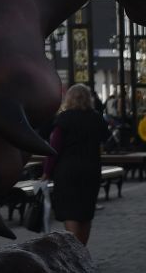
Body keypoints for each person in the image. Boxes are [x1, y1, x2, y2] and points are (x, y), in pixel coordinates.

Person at [46, 84, 111, 245]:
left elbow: (54, 148)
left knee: (71, 212)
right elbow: (106, 139)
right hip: (91, 170)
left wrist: (46, 171)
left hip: (67, 171)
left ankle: (75, 251)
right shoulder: (96, 118)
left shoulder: (63, 119)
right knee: (86, 212)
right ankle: (82, 249)